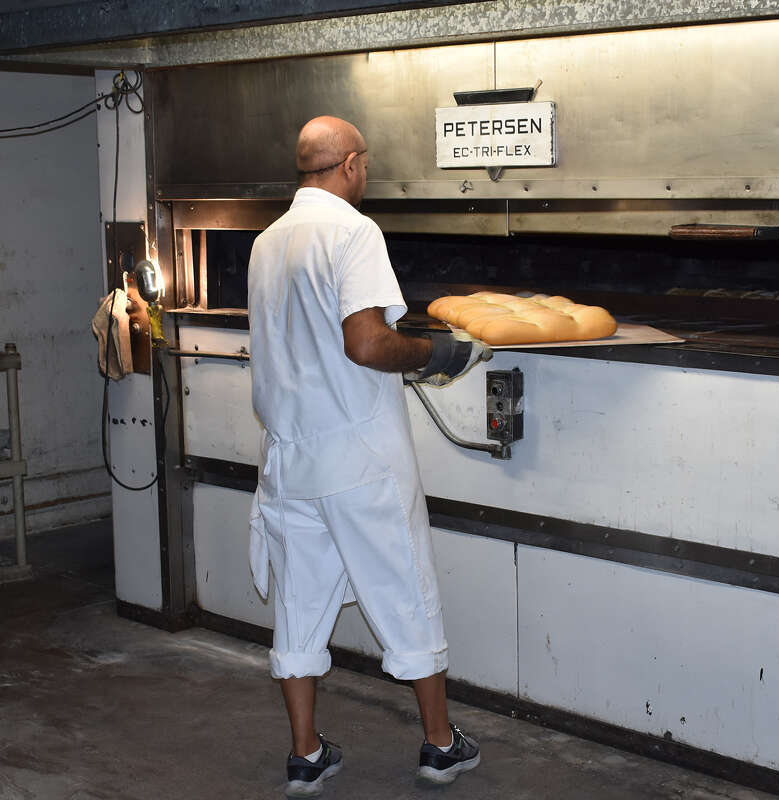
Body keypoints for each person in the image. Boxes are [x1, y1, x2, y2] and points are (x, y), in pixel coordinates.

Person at [246, 115, 490, 797]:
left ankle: (306, 756)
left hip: (290, 459)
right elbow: (367, 344)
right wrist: (438, 353)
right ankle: (441, 745)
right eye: (366, 164)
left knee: (298, 604)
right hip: (359, 458)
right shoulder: (354, 232)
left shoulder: (267, 242)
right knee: (404, 591)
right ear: (351, 164)